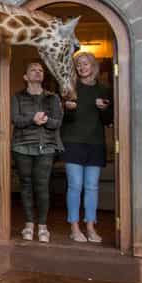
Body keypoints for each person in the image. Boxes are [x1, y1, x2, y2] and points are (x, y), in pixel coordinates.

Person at [62, 51, 113, 243]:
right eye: (78, 65)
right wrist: (68, 110)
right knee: (75, 186)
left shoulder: (103, 90)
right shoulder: (70, 88)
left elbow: (109, 121)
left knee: (92, 187)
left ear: (93, 66)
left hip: (95, 143)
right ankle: (74, 228)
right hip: (73, 142)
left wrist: (104, 109)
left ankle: (91, 227)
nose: (81, 68)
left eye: (85, 64)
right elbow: (64, 119)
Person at [11, 62, 63, 243]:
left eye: (40, 70)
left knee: (42, 186)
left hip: (46, 146)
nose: (37, 72)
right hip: (22, 146)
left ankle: (42, 226)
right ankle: (28, 224)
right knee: (25, 185)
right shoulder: (17, 97)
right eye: (33, 69)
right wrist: (32, 119)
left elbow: (57, 122)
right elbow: (16, 119)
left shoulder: (53, 98)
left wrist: (46, 120)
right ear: (26, 76)